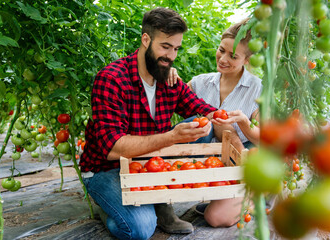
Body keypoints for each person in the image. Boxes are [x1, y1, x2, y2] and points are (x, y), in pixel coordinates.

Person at [79, 8, 224, 240]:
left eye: (176, 48)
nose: (171, 56)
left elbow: (204, 110)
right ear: (146, 40)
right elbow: (112, 149)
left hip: (149, 162)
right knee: (140, 229)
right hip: (106, 169)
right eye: (165, 47)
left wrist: (225, 119)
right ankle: (106, 209)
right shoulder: (111, 79)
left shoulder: (167, 77)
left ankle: (160, 201)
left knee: (201, 128)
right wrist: (173, 137)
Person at [168, 19, 262, 227]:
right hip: (212, 162)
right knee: (202, 123)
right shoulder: (201, 82)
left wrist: (245, 122)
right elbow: (173, 96)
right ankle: (220, 195)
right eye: (221, 50)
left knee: (215, 217)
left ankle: (255, 196)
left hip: (243, 161)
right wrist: (169, 74)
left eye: (233, 56)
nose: (223, 59)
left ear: (247, 60)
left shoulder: (257, 89)